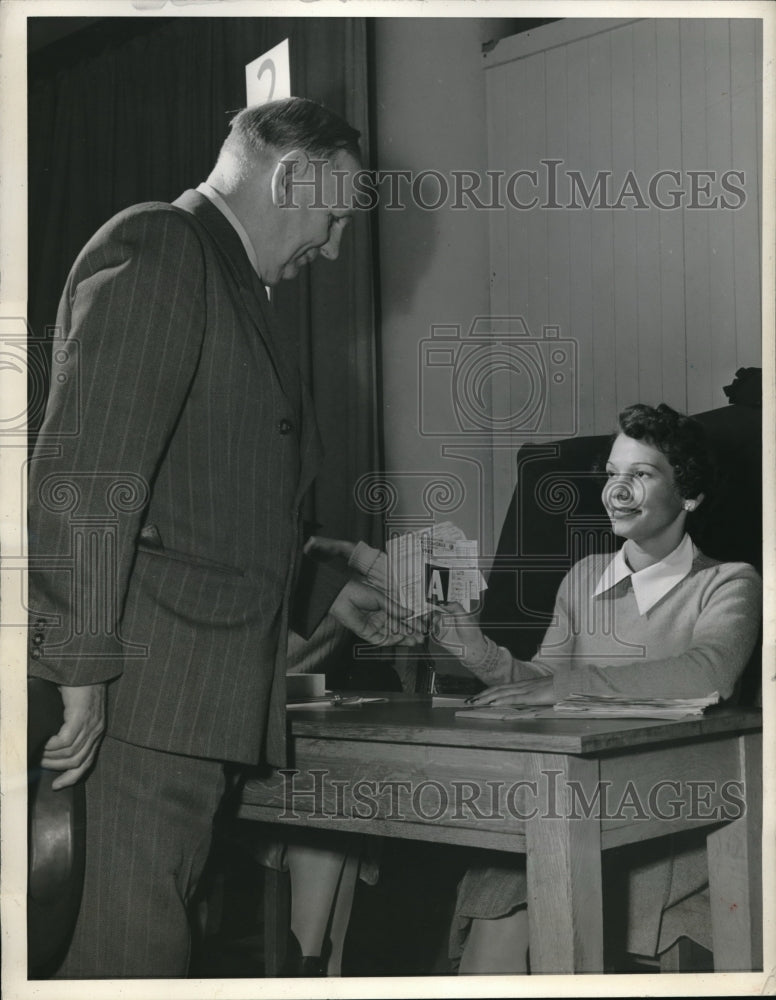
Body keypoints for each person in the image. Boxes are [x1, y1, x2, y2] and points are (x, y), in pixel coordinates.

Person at [27, 97, 418, 978]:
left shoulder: (233, 284)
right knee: (127, 963)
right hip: (138, 705)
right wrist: (77, 674)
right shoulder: (164, 246)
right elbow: (87, 474)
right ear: (291, 178)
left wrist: (327, 594)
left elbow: (214, 510)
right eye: (334, 218)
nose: (335, 248)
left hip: (187, 705)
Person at [432, 403, 762, 973]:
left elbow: (708, 674)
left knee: (532, 872)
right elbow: (542, 680)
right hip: (572, 796)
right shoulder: (584, 575)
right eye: (612, 474)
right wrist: (474, 648)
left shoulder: (729, 582)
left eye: (641, 474)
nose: (618, 490)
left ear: (689, 495)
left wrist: (564, 688)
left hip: (670, 812)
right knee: (505, 888)